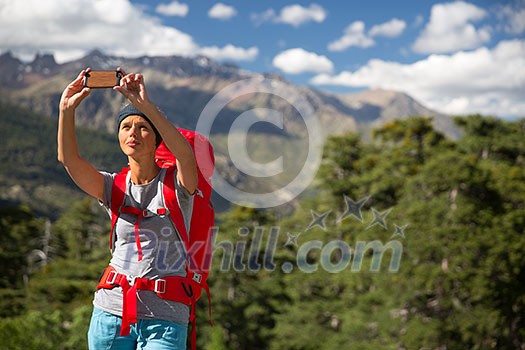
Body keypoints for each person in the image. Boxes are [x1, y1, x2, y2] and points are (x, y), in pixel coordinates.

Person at [57, 67, 198, 349]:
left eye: (143, 127)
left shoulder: (178, 185)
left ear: (157, 140)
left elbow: (184, 153)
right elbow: (69, 160)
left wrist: (144, 105)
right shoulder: (113, 186)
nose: (133, 132)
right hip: (111, 312)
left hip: (166, 318)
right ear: (120, 138)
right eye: (126, 126)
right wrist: (66, 110)